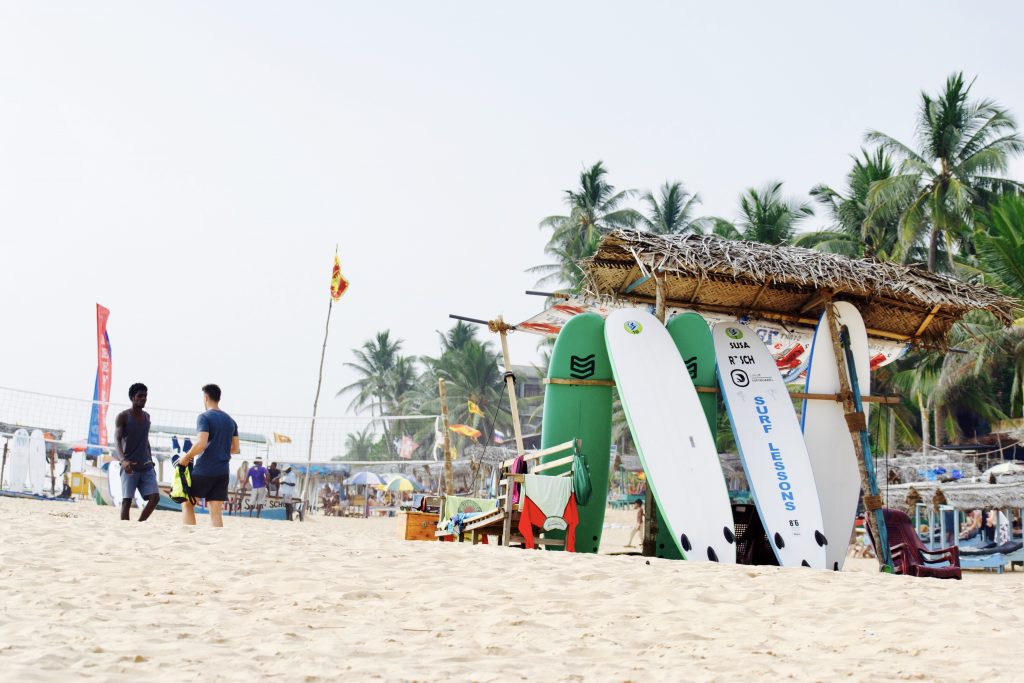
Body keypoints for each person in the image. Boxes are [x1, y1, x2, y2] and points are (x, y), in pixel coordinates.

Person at [177, 384, 240, 527]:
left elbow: (201, 444)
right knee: (215, 511)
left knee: (187, 503)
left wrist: (186, 458)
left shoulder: (204, 417)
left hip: (205, 469)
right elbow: (236, 449)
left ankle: (190, 537)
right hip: (223, 471)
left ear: (205, 397)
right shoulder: (231, 421)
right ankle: (216, 544)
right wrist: (221, 450)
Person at [113, 383, 160, 522]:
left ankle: (140, 524)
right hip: (130, 466)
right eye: (140, 396)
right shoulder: (123, 416)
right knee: (127, 501)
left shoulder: (147, 417)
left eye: (145, 396)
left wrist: (151, 460)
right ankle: (125, 529)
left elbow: (146, 440)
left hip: (146, 466)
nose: (143, 399)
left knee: (154, 498)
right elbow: (117, 439)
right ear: (132, 397)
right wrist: (123, 460)